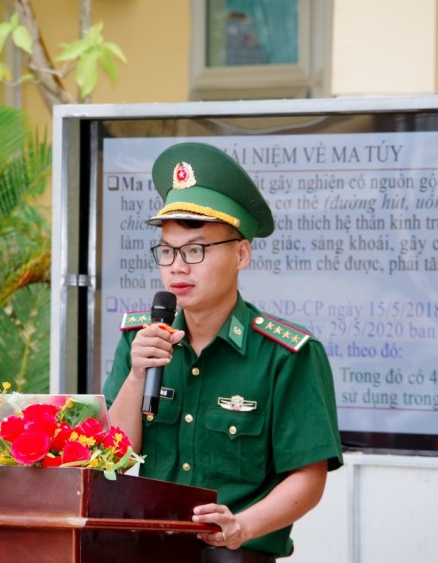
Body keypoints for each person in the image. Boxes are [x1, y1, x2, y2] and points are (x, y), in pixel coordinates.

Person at [103, 142, 343, 563]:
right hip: (149, 551)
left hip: (236, 555)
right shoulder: (141, 342)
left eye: (195, 250)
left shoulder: (286, 355)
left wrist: (240, 527)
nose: (177, 266)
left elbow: (308, 477)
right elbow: (114, 461)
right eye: (167, 250)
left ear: (241, 253)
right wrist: (138, 375)